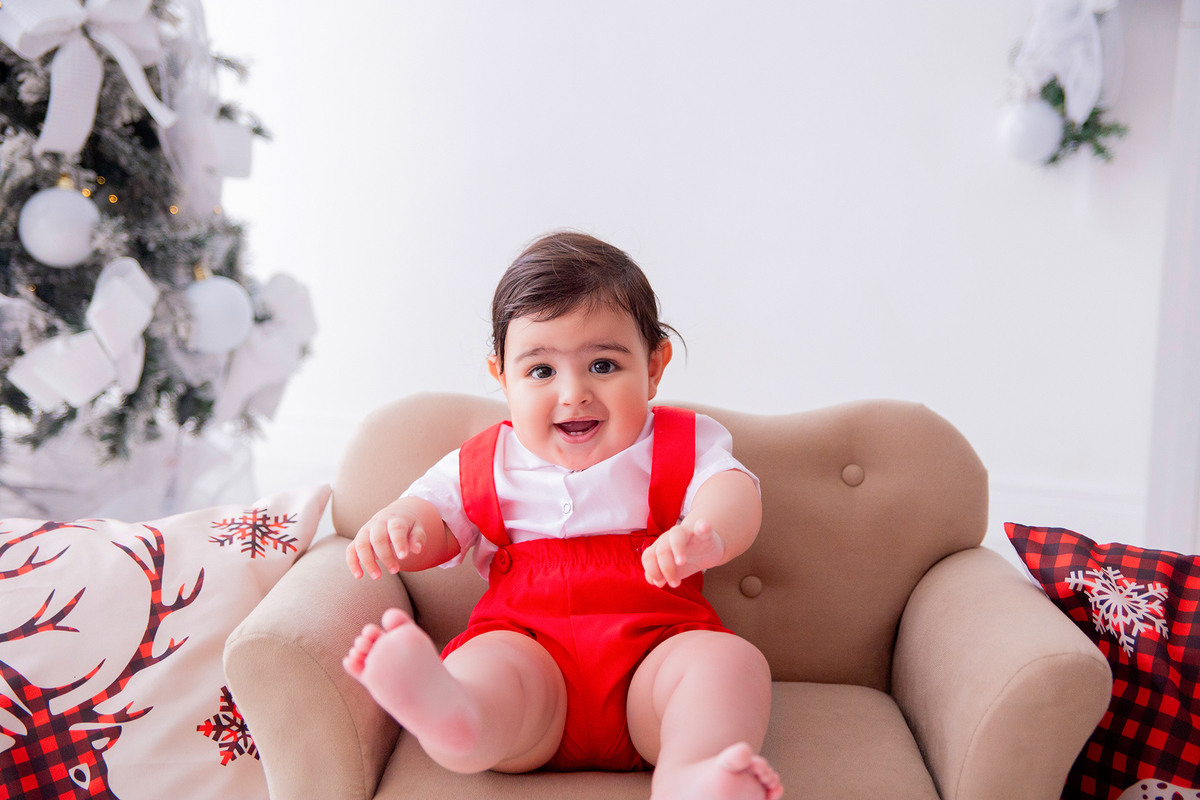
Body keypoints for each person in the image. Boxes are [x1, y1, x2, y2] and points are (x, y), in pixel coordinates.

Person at [342, 232, 783, 800]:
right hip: (529, 657)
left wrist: (707, 534)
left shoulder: (679, 442)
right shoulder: (485, 461)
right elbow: (436, 521)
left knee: (728, 663)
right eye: (542, 371)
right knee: (491, 670)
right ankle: (454, 715)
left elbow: (734, 491)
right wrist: (400, 528)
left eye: (602, 364)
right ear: (502, 377)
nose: (573, 394)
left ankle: (693, 773)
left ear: (654, 367)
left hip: (655, 655)